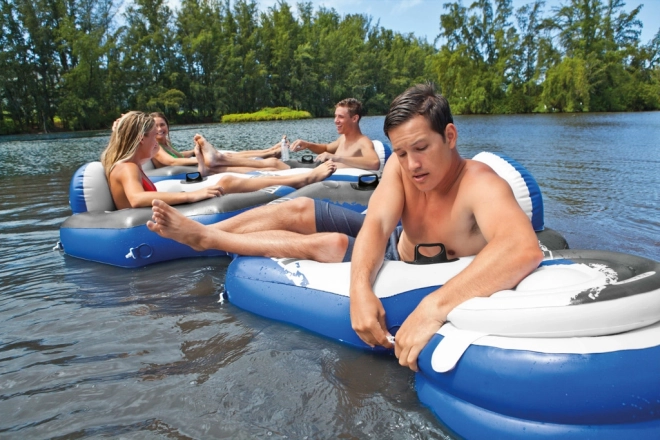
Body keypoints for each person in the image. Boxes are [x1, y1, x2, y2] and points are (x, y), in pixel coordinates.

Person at [146, 84, 543, 371]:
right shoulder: (400, 168)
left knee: (333, 244)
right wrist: (359, 289)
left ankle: (208, 238)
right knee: (299, 206)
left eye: (422, 148)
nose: (412, 165)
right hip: (396, 243)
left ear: (450, 136)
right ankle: (202, 231)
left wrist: (432, 307)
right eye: (402, 152)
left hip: (413, 269)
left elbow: (522, 248)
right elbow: (377, 225)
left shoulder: (479, 183)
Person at [102, 111, 337, 210]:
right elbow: (137, 199)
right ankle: (301, 179)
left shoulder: (129, 165)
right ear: (140, 139)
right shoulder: (127, 167)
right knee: (227, 182)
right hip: (140, 224)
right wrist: (193, 195)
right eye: (154, 136)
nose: (157, 141)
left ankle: (294, 175)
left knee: (226, 179)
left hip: (151, 212)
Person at [290, 98, 381, 170]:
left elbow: (374, 162)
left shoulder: (363, 141)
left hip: (339, 183)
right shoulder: (343, 138)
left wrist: (337, 158)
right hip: (324, 174)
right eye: (335, 116)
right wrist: (308, 145)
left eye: (340, 117)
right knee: (282, 164)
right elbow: (326, 148)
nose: (335, 121)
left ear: (354, 119)